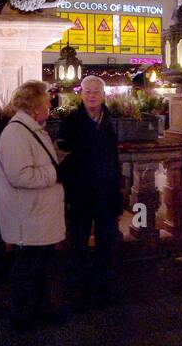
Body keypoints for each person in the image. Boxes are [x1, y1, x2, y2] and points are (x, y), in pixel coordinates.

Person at [0, 80, 66, 332]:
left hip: (38, 216)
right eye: (46, 100)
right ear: (34, 105)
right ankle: (22, 316)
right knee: (26, 270)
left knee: (41, 268)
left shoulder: (31, 128)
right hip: (29, 217)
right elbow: (20, 176)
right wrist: (55, 172)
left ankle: (39, 310)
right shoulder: (16, 133)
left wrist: (56, 157)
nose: (50, 104)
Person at [52, 76, 126, 306]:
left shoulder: (111, 120)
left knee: (107, 243)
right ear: (81, 94)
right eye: (88, 91)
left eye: (96, 91)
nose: (92, 95)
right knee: (77, 244)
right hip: (80, 194)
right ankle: (77, 289)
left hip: (107, 193)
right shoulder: (71, 121)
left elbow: (115, 157)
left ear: (103, 95)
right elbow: (61, 158)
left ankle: (104, 287)